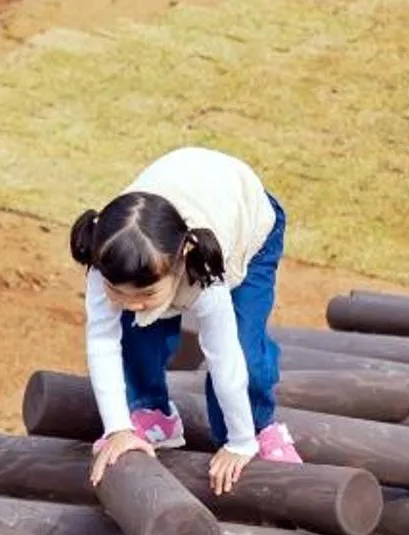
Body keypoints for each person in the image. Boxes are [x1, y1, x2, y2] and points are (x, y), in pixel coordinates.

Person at [73, 146, 302, 494]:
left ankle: (258, 426)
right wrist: (118, 429)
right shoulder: (106, 259)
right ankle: (151, 411)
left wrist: (239, 442)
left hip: (249, 222)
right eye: (118, 292)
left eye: (146, 294)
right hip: (170, 213)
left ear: (182, 261)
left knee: (244, 347)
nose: (132, 304)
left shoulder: (205, 269)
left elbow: (224, 356)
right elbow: (102, 342)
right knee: (133, 330)